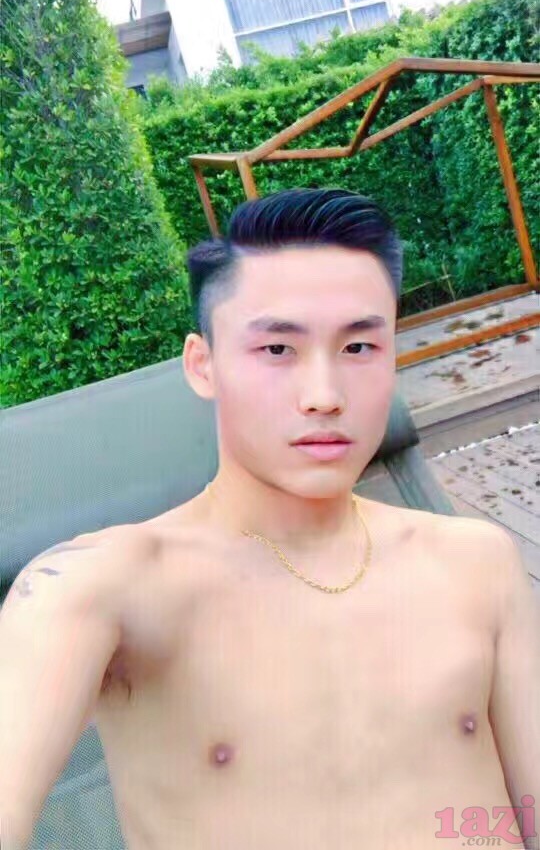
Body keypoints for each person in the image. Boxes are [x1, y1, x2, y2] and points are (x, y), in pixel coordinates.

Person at [1, 188, 538, 849]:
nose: (324, 396)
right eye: (278, 350)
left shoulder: (476, 561)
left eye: (360, 347)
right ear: (203, 366)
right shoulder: (103, 588)